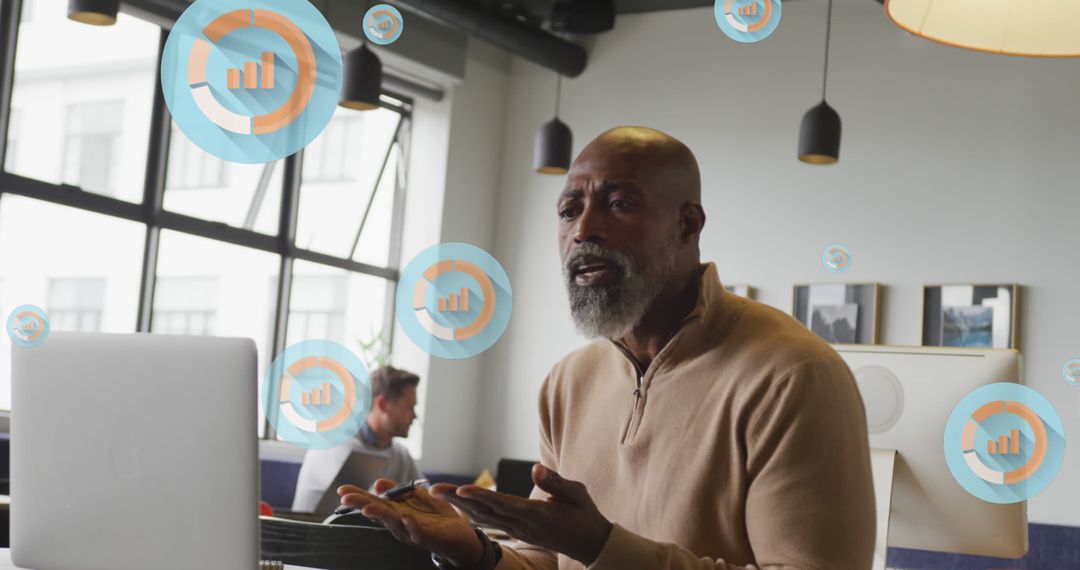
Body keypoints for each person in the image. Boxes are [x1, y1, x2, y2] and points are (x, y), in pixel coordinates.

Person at [339, 127, 876, 570]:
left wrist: (602, 547)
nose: (584, 230)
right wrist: (477, 552)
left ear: (688, 224)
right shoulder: (567, 382)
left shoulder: (793, 375)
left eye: (619, 203)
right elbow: (546, 562)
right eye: (569, 209)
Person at [291, 365, 422, 513]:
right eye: (409, 407)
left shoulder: (400, 453)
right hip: (315, 532)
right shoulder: (336, 443)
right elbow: (369, 508)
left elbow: (426, 495)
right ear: (382, 404)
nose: (414, 416)